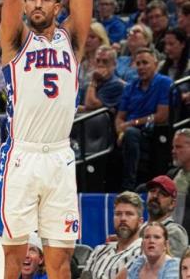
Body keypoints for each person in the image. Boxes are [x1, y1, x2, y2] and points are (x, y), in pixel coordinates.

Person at [0, 0, 93, 279]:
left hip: (59, 156)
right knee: (12, 259)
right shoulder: (15, 40)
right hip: (21, 154)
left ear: (57, 6)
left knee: (59, 261)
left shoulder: (72, 39)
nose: (36, 3)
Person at [116, 48, 172, 190]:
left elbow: (161, 116)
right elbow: (120, 117)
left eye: (145, 63)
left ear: (155, 64)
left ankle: (128, 186)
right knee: (127, 135)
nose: (141, 67)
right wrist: (120, 132)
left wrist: (132, 123)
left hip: (152, 133)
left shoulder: (164, 83)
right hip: (130, 134)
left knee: (131, 133)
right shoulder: (130, 86)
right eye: (138, 63)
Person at [81, 191, 144, 278]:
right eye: (118, 214)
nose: (123, 218)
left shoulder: (143, 252)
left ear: (140, 221)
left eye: (129, 214)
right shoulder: (99, 250)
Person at [141, 175, 188, 259]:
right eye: (152, 191)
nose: (155, 196)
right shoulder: (140, 229)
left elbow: (173, 265)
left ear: (172, 204)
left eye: (162, 194)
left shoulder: (174, 232)